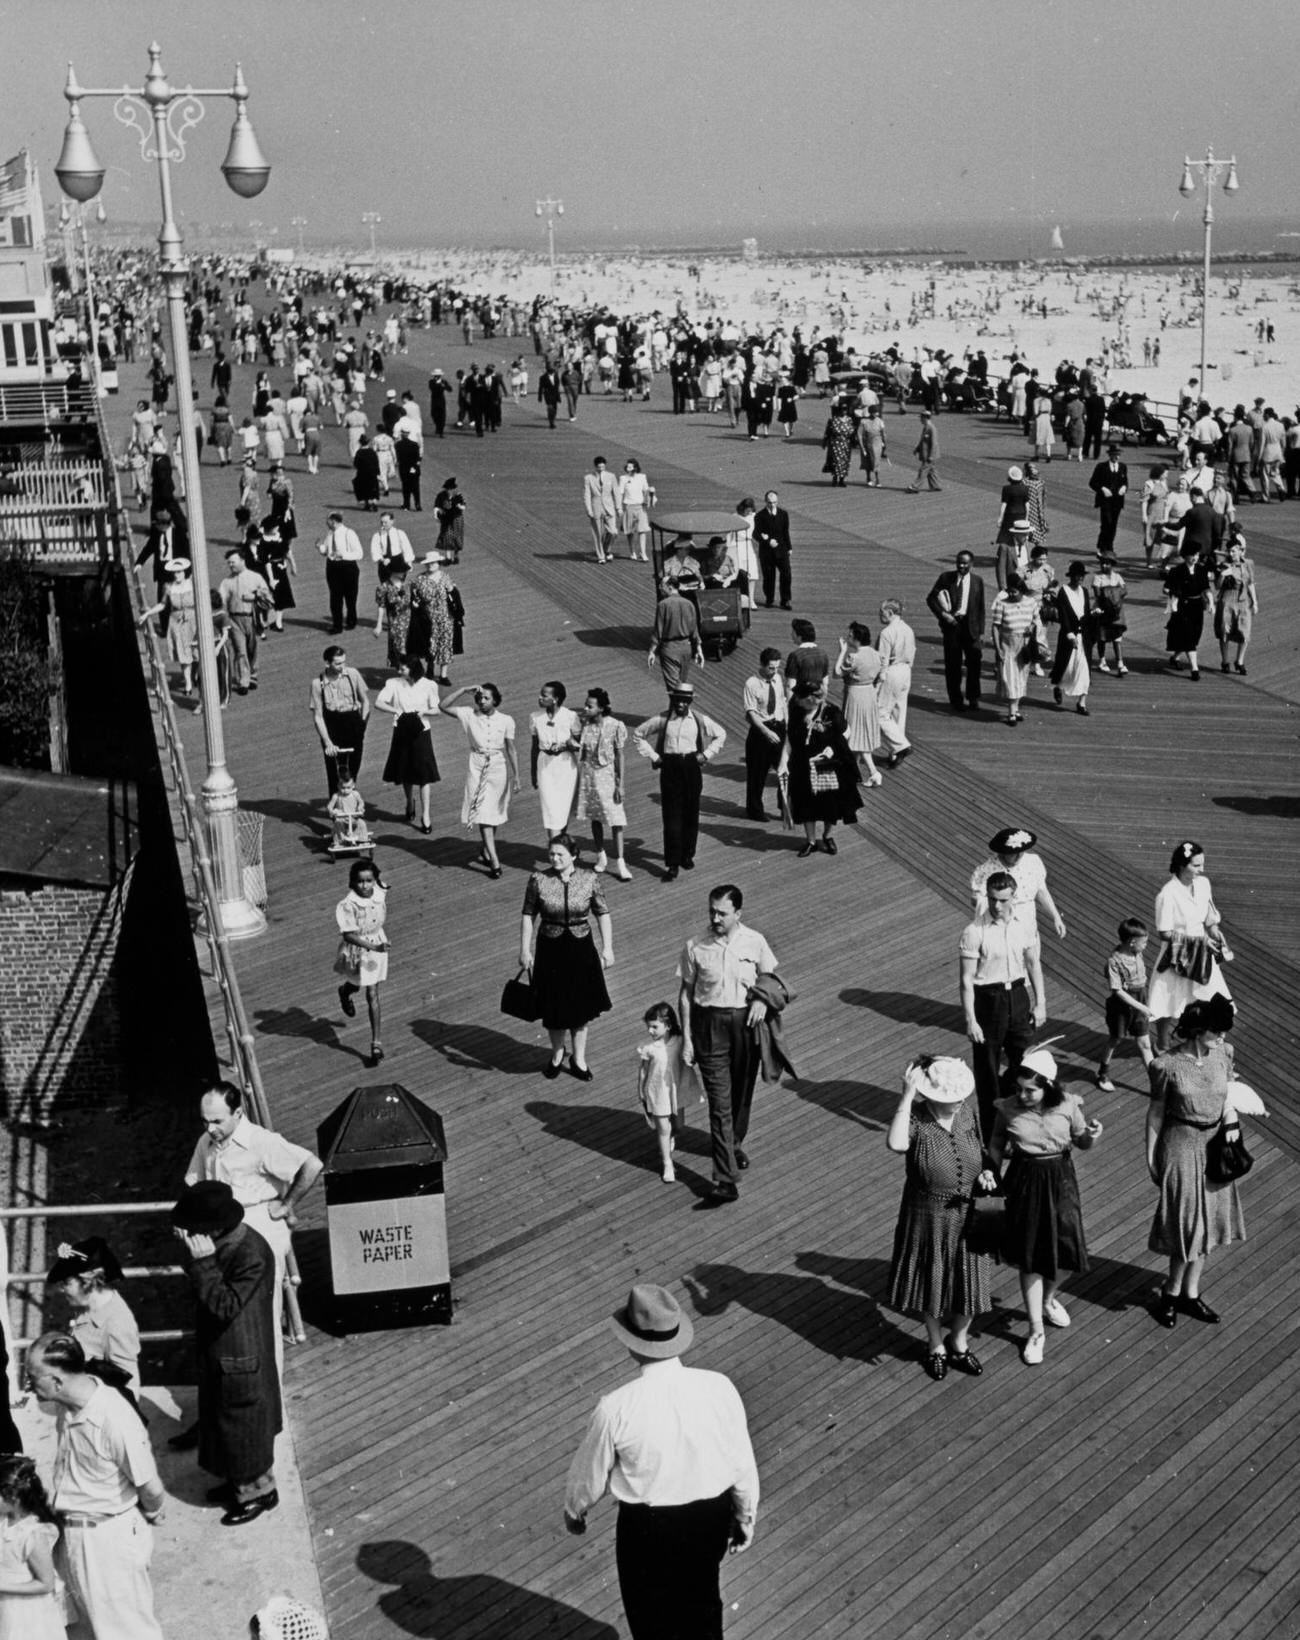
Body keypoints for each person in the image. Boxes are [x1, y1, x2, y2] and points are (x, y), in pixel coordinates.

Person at [563, 1285, 759, 1640]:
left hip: (648, 1530)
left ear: (631, 1343)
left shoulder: (616, 1408)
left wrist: (576, 1511)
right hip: (708, 1520)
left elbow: (589, 1474)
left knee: (650, 1618)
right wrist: (745, 1516)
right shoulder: (719, 1387)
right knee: (703, 1605)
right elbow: (741, 1463)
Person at [25, 1332, 165, 1637]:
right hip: (73, 1535)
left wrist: (153, 1511)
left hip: (106, 1543)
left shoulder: (114, 1418)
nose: (29, 1386)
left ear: (57, 1381)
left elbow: (151, 1488)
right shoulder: (67, 1403)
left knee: (126, 1633)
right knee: (82, 1630)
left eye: (33, 1377)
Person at [171, 1181, 281, 1527]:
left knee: (244, 1431)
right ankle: (239, 1483)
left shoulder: (251, 1254)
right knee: (229, 1430)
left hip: (242, 1359)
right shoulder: (227, 1242)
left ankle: (259, 1493)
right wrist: (197, 1258)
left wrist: (203, 1263)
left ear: (214, 1229)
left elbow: (224, 1306)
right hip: (226, 1356)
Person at [990, 1047, 1102, 1366]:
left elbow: (1081, 1141)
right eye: (1019, 1089)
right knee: (1031, 1257)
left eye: (1031, 1090)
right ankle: (1036, 1329)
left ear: (1048, 1086)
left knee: (1068, 1249)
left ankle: (1048, 1299)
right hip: (1024, 1179)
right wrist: (991, 1171)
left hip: (1060, 1178)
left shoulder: (1068, 1105)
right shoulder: (1007, 1108)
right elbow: (997, 1141)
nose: (1023, 1095)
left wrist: (1093, 1136)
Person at [885, 1055, 993, 1381]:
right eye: (950, 1098)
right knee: (930, 1282)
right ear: (928, 1095)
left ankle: (958, 1342)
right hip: (929, 1214)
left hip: (971, 1211)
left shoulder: (967, 1114)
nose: (957, 1103)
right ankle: (935, 1345)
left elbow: (983, 1151)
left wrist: (986, 1172)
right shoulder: (916, 1120)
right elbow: (896, 1143)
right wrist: (906, 1096)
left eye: (960, 1097)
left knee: (973, 1284)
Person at [1147, 995, 1246, 1327]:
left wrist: (1230, 1122)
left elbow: (1228, 1095)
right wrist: (1151, 1157)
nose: (1222, 1037)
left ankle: (1190, 1294)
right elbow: (1156, 1112)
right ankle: (1170, 1293)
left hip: (1215, 1146)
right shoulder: (1166, 1065)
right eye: (1216, 1032)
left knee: (1211, 1222)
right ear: (1198, 1030)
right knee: (1187, 1225)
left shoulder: (1224, 1054)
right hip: (1180, 1146)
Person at [677, 885, 778, 1205]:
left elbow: (771, 979)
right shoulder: (696, 946)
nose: (715, 917)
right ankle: (725, 1179)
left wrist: (763, 1000)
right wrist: (687, 1039)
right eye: (711, 911)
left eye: (722, 912)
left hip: (746, 1026)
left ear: (738, 914)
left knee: (741, 1094)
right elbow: (685, 994)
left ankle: (732, 1145)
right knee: (720, 1102)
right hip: (710, 1027)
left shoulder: (755, 941)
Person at [519, 833, 614, 1081]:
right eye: (551, 854)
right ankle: (557, 1054)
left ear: (574, 855)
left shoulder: (589, 878)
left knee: (580, 1007)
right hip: (550, 949)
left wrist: (608, 948)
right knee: (554, 1005)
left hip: (580, 949)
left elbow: (602, 913)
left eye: (560, 854)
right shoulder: (538, 879)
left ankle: (579, 1058)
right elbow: (528, 914)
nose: (554, 858)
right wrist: (525, 949)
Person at [960, 872, 1047, 1140]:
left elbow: (1033, 964)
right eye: (992, 899)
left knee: (1027, 1065)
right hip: (989, 1001)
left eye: (1002, 900)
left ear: (1013, 897)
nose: (996, 906)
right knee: (987, 1072)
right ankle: (992, 1136)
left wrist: (1041, 1003)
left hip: (1018, 997)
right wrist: (971, 1020)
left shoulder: (1024, 925)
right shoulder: (974, 932)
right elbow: (966, 980)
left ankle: (1020, 1124)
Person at [633, 684, 727, 882]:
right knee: (672, 817)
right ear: (673, 700)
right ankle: (672, 863)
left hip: (691, 766)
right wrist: (654, 756)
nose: (681, 704)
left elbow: (721, 734)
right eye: (678, 700)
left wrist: (706, 754)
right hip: (670, 767)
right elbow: (638, 734)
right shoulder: (663, 718)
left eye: (685, 701)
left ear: (691, 701)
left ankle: (687, 855)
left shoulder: (699, 719)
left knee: (691, 813)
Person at [1147, 841, 1234, 1052]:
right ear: (1181, 865)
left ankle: (1211, 1047)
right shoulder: (1167, 894)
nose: (1201, 870)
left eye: (1202, 865)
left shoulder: (1204, 884)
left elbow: (1209, 917)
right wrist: (1199, 941)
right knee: (1167, 1001)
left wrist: (1214, 931)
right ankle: (1163, 1043)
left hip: (1203, 954)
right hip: (1178, 953)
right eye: (1196, 866)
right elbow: (1164, 932)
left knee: (1213, 999)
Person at [439, 682, 518, 879]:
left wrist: (517, 775)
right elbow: (443, 705)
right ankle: (494, 861)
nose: (482, 702)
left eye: (486, 698)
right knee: (483, 814)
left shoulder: (506, 720)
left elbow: (511, 748)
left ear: (495, 700)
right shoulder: (468, 714)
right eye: (480, 698)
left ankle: (485, 850)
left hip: (498, 768)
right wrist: (464, 690)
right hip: (477, 765)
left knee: (493, 812)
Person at [46, 1237, 140, 1393]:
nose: (61, 1290)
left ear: (89, 1282)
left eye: (66, 1283)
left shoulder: (116, 1324)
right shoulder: (88, 1304)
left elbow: (129, 1386)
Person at [786, 677, 861, 856]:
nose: (796, 700)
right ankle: (811, 841)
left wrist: (830, 748)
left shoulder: (830, 712)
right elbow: (790, 736)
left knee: (830, 806)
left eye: (800, 698)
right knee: (805, 804)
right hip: (803, 765)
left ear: (810, 698)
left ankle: (827, 836)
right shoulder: (797, 710)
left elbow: (845, 732)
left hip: (826, 766)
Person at [0, 1454, 63, 1640]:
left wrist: (3, 1586)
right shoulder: (3, 1523)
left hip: (27, 1616)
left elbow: (46, 1583)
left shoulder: (33, 1534)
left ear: (12, 1497)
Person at [334, 857, 390, 1065]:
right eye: (360, 881)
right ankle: (345, 991)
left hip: (377, 943)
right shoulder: (348, 904)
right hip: (360, 948)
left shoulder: (379, 891)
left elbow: (382, 884)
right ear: (353, 882)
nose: (365, 886)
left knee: (372, 992)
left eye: (369, 880)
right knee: (358, 984)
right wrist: (373, 947)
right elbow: (348, 935)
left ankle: (376, 1043)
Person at [375, 657, 441, 832]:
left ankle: (426, 814)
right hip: (402, 729)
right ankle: (409, 801)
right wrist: (396, 710)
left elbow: (436, 708)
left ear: (412, 669)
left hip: (421, 731)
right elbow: (379, 702)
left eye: (402, 669)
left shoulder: (429, 685)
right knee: (405, 770)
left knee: (424, 774)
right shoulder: (393, 683)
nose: (399, 671)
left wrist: (423, 712)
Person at [573, 688, 631, 880]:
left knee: (616, 819)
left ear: (601, 708)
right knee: (595, 817)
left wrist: (620, 784)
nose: (585, 708)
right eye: (586, 705)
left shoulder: (615, 726)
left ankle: (621, 862)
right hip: (589, 776)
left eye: (590, 706)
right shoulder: (585, 726)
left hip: (608, 776)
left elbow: (620, 755)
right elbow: (579, 748)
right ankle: (601, 856)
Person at [970, 827, 1067, 940]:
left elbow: (1041, 891)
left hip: (1027, 920)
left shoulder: (1033, 862)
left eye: (1021, 852)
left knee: (1032, 956)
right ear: (1002, 852)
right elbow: (977, 902)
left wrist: (1056, 917)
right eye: (1013, 853)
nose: (1018, 856)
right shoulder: (986, 871)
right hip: (1000, 925)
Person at [1096, 917, 1154, 1090]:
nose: (1146, 946)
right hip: (1122, 1006)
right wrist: (1141, 1007)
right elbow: (1118, 991)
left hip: (1140, 997)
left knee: (1145, 1043)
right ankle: (1103, 1073)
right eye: (1144, 942)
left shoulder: (1137, 952)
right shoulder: (1114, 961)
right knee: (1116, 1038)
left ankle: (1156, 1085)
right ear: (1132, 942)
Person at [926, 550, 985, 712]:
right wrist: (943, 615)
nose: (961, 565)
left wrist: (980, 632)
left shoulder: (977, 581)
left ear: (971, 564)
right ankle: (956, 699)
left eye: (965, 563)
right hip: (952, 627)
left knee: (974, 664)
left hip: (970, 627)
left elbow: (980, 608)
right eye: (959, 562)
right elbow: (931, 599)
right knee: (953, 665)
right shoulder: (946, 578)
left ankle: (973, 697)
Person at [309, 645, 371, 796]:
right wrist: (327, 742)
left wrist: (362, 724)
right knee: (333, 769)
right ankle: (335, 806)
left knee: (353, 768)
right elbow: (318, 716)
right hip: (333, 727)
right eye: (338, 663)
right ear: (327, 663)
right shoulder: (317, 684)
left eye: (344, 662)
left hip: (353, 723)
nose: (342, 666)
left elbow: (365, 702)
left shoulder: (353, 674)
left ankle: (351, 802)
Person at [636, 1003, 688, 1182]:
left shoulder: (679, 1041)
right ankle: (667, 1163)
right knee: (663, 1128)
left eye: (654, 1026)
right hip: (656, 1091)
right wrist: (641, 1089)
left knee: (678, 1125)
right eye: (648, 1027)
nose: (650, 1031)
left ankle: (672, 1135)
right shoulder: (648, 1047)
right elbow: (643, 1071)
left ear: (668, 1026)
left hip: (674, 1090)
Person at [990, 573, 1046, 727]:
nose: (1011, 594)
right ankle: (1011, 711)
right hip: (1007, 643)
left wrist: (1032, 628)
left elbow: (1037, 621)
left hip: (1024, 644)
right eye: (1010, 591)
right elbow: (995, 627)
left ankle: (1015, 709)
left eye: (1014, 591)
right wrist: (997, 647)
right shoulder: (1001, 603)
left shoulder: (1031, 602)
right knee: (1009, 678)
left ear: (1021, 590)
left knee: (1021, 677)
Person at [138, 556, 198, 696]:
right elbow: (163, 604)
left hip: (193, 621)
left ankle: (196, 674)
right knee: (183, 654)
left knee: (196, 652)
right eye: (175, 572)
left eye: (180, 572)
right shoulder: (169, 587)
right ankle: (188, 682)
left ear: (184, 572)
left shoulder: (192, 584)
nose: (177, 575)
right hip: (177, 622)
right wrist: (148, 614)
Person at [529, 681, 580, 841]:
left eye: (544, 695)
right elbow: (534, 747)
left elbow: (579, 744)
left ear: (556, 699)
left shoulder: (570, 716)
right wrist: (533, 773)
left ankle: (560, 846)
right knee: (550, 809)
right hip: (545, 766)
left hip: (566, 767)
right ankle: (555, 846)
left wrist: (567, 745)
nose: (540, 698)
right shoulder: (535, 718)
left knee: (563, 809)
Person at [835, 622, 884, 785]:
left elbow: (837, 672)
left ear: (856, 639)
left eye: (850, 635)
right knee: (861, 731)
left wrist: (842, 652)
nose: (848, 637)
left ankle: (873, 772)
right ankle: (853, 771)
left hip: (855, 694)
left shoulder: (853, 657)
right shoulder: (875, 654)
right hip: (869, 693)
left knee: (854, 731)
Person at [218, 547, 271, 696]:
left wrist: (254, 597)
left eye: (233, 562)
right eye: (229, 563)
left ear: (242, 561)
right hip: (234, 619)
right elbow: (220, 599)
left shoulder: (255, 577)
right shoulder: (226, 582)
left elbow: (268, 596)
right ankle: (244, 681)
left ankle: (253, 675)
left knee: (252, 648)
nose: (231, 565)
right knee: (240, 650)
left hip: (252, 618)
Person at [742, 647, 788, 820]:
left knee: (785, 769)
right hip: (761, 730)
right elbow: (751, 714)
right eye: (771, 668)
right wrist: (766, 732)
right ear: (762, 665)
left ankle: (785, 808)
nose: (774, 671)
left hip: (779, 727)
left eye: (777, 667)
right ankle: (755, 810)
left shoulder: (777, 678)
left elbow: (782, 702)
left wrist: (786, 724)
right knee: (757, 774)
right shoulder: (751, 684)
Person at [1049, 559, 1093, 716]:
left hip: (1083, 637)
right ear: (1071, 576)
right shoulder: (1064, 591)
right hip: (1069, 636)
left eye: (1082, 576)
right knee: (1067, 666)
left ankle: (1082, 702)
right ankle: (1059, 686)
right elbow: (1064, 614)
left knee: (1084, 669)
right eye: (1076, 576)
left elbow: (1086, 613)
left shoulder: (1085, 592)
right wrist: (1069, 633)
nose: (1079, 579)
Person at [875, 598, 916, 766]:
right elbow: (913, 650)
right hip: (906, 670)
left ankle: (901, 746)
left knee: (880, 713)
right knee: (899, 711)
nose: (879, 615)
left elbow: (882, 659)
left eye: (882, 612)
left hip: (892, 670)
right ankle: (894, 753)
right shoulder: (908, 629)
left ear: (890, 613)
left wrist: (879, 678)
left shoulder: (887, 633)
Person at [647, 578, 704, 693]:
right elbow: (694, 630)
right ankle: (673, 710)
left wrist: (652, 651)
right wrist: (699, 650)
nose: (660, 588)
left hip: (670, 649)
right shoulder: (689, 604)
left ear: (670, 587)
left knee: (674, 688)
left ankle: (682, 710)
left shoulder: (663, 605)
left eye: (662, 585)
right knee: (681, 683)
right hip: (686, 648)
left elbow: (658, 631)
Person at [1214, 533, 1258, 674]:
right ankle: (1225, 661)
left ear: (1240, 550)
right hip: (1227, 600)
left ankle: (1239, 661)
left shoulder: (1248, 564)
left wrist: (1255, 602)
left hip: (1243, 601)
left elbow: (1250, 583)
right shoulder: (1223, 565)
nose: (1231, 553)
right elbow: (1217, 586)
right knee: (1224, 631)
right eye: (1229, 551)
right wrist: (1223, 575)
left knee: (1244, 632)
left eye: (1234, 550)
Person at [316, 511, 364, 634]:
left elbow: (359, 554)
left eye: (328, 521)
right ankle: (337, 626)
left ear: (334, 521)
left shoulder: (349, 533)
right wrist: (320, 547)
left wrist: (343, 555)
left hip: (347, 567)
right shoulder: (330, 533)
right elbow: (327, 550)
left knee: (350, 597)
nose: (326, 523)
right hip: (332, 567)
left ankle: (351, 621)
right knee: (335, 598)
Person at [752, 490, 793, 608]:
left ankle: (785, 600)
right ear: (765, 502)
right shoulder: (760, 516)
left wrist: (789, 547)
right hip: (767, 552)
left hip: (782, 550)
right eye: (770, 502)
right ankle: (769, 598)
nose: (772, 505)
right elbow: (756, 534)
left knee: (786, 574)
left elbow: (786, 532)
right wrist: (767, 540)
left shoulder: (783, 514)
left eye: (774, 502)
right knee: (769, 577)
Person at [1090, 549, 1129, 674]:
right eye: (1102, 563)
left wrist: (1112, 596)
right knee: (1102, 637)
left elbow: (1124, 591)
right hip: (1102, 609)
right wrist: (1113, 593)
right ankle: (1102, 661)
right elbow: (1098, 595)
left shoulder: (1118, 577)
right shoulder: (1097, 578)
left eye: (1107, 563)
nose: (1104, 566)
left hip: (1115, 610)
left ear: (1112, 565)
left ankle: (1120, 663)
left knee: (1117, 637)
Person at [1088, 443, 1128, 551]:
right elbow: (1092, 483)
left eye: (1118, 455)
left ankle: (1108, 545)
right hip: (1105, 501)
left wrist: (1124, 488)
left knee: (1113, 524)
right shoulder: (1101, 467)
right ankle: (1104, 546)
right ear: (1110, 455)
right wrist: (1102, 489)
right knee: (1106, 523)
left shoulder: (1123, 467)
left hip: (1117, 501)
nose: (1117, 457)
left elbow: (1125, 482)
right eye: (1115, 454)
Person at [583, 456, 620, 563]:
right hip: (596, 507)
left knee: (613, 532)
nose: (601, 469)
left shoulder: (611, 476)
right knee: (598, 533)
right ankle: (601, 556)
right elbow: (586, 495)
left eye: (603, 467)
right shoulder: (588, 478)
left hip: (609, 508)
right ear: (595, 467)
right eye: (599, 467)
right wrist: (588, 510)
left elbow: (616, 493)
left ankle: (606, 550)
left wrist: (619, 508)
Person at [619, 459, 655, 561]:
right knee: (629, 531)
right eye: (627, 467)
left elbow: (646, 490)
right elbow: (620, 492)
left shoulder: (642, 477)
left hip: (640, 506)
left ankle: (643, 553)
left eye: (631, 467)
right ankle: (632, 552)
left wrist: (650, 493)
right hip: (628, 506)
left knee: (642, 530)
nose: (628, 468)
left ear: (635, 467)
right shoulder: (623, 478)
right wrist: (619, 507)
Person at [904, 409, 942, 492]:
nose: (920, 419)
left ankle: (915, 487)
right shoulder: (926, 428)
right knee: (931, 470)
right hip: (926, 454)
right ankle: (935, 485)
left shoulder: (932, 429)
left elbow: (934, 443)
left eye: (921, 418)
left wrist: (931, 455)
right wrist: (917, 449)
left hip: (930, 455)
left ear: (925, 418)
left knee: (923, 470)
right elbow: (922, 440)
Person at [821, 398, 855, 485]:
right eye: (843, 409)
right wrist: (825, 442)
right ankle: (835, 478)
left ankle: (842, 480)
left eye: (846, 409)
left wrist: (853, 440)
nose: (844, 411)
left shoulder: (849, 420)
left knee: (845, 461)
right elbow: (830, 431)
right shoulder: (834, 419)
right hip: (836, 443)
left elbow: (852, 431)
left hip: (846, 444)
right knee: (836, 461)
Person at [434, 477, 466, 562]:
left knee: (457, 538)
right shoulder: (441, 495)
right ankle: (448, 558)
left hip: (456, 518)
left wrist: (460, 506)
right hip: (446, 519)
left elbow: (463, 506)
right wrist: (436, 515)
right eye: (447, 489)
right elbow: (436, 506)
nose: (449, 490)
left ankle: (456, 556)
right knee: (446, 537)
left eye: (450, 489)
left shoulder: (458, 496)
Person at [857, 407, 887, 486]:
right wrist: (862, 446)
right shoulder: (864, 421)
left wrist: (884, 444)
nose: (876, 414)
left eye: (876, 412)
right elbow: (859, 433)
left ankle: (877, 479)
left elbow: (883, 433)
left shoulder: (880, 421)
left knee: (876, 460)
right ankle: (868, 478)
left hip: (877, 442)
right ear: (870, 412)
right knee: (867, 461)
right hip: (867, 442)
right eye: (874, 412)